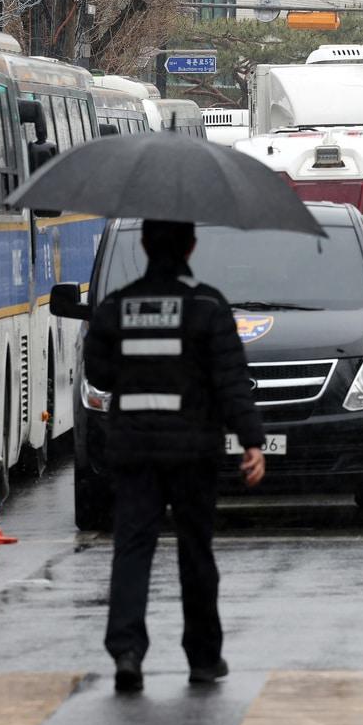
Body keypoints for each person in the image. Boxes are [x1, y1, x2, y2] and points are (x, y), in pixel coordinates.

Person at [83, 219, 268, 693]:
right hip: (192, 452)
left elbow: (98, 374)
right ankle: (203, 659)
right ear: (191, 246)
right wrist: (252, 441)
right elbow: (231, 382)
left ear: (145, 245)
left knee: (132, 548)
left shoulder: (116, 307)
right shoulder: (208, 306)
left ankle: (127, 652)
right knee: (195, 550)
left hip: (134, 451)